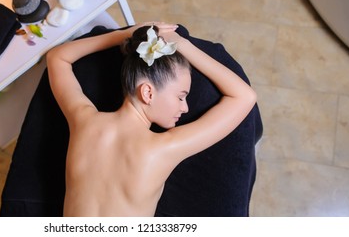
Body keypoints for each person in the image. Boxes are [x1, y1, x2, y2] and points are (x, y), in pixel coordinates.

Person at [46, 22, 257, 217]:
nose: (185, 107)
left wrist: (123, 35)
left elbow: (57, 58)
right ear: (148, 93)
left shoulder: (84, 121)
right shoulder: (163, 149)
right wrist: (183, 44)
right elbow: (244, 97)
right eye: (181, 96)